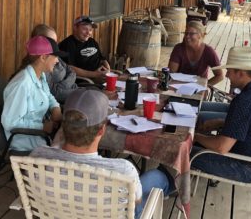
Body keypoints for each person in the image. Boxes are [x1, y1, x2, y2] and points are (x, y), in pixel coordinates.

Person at [30, 88, 175, 218]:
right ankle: (170, 181)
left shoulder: (37, 156)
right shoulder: (123, 170)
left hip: (59, 209)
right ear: (101, 130)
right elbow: (136, 204)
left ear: (64, 126)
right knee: (157, 177)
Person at [191, 47, 251, 183]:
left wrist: (195, 137)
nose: (226, 75)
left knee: (180, 151)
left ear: (241, 73)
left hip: (244, 167)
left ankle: (171, 189)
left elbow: (221, 147)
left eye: (229, 71)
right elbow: (249, 125)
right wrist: (221, 122)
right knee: (195, 142)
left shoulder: (245, 101)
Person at [2, 36, 64, 152]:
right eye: (55, 56)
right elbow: (10, 122)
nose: (57, 60)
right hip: (25, 145)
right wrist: (43, 127)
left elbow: (48, 96)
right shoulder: (22, 84)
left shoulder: (40, 75)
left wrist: (55, 108)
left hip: (39, 138)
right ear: (43, 57)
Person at [31, 24, 78, 104]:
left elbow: (72, 72)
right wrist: (78, 93)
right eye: (52, 41)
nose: (55, 45)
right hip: (67, 99)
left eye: (55, 42)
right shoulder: (42, 64)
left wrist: (62, 85)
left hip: (74, 89)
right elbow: (54, 93)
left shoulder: (53, 55)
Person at [168, 21, 224, 86]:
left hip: (199, 89)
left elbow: (220, 76)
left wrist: (205, 86)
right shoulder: (178, 48)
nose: (187, 36)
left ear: (201, 35)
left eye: (191, 34)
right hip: (179, 87)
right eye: (186, 33)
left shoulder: (208, 51)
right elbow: (171, 73)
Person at [59, 15, 110, 83]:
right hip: (86, 81)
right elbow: (70, 68)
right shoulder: (67, 44)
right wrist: (95, 74)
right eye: (85, 29)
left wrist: (108, 70)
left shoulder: (92, 41)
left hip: (102, 75)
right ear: (75, 28)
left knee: (126, 80)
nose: (88, 33)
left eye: (90, 30)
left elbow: (102, 59)